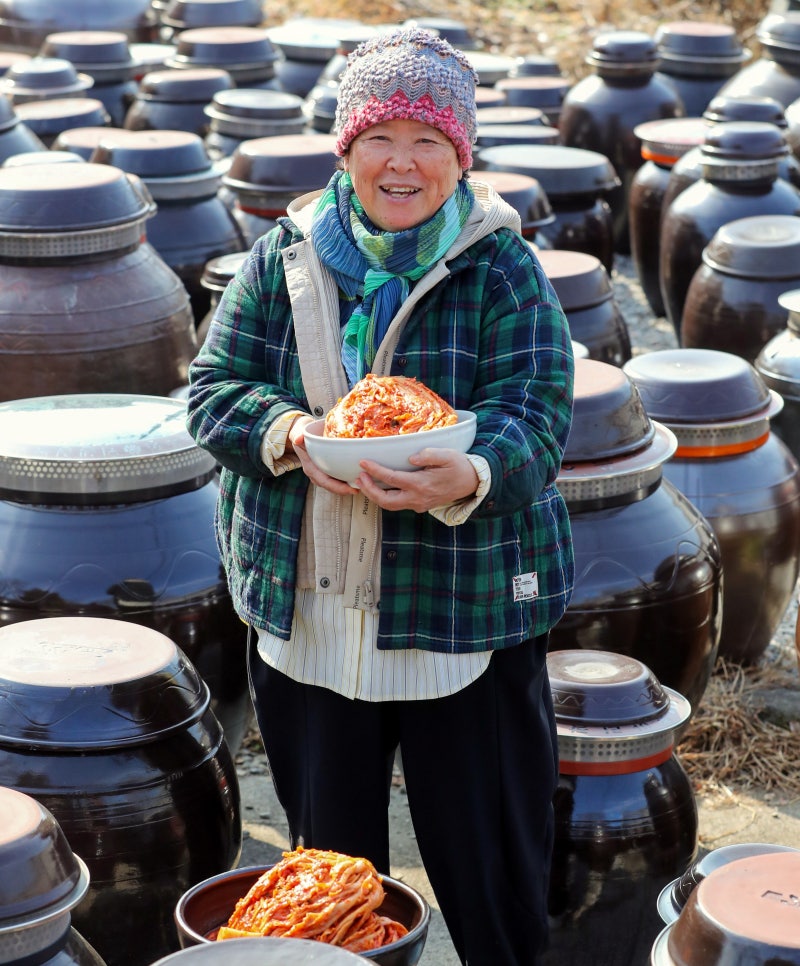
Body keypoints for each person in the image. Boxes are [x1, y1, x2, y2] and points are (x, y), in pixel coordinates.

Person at [186, 27, 574, 966]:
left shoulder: (501, 266)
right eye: (379, 138)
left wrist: (473, 472)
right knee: (328, 884)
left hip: (460, 617)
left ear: (460, 155)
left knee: (491, 876)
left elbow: (540, 411)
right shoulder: (282, 259)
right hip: (313, 619)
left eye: (428, 139)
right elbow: (211, 392)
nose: (402, 163)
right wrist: (288, 435)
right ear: (346, 149)